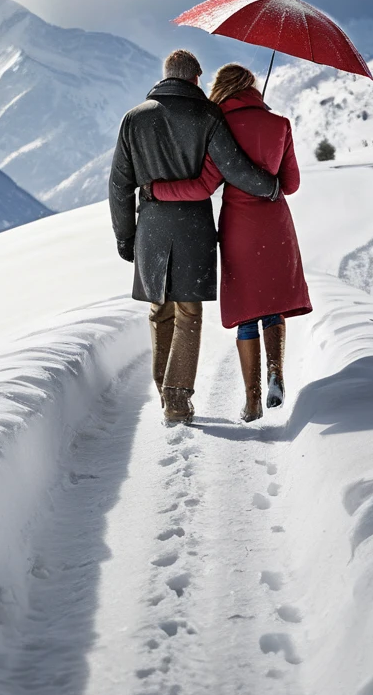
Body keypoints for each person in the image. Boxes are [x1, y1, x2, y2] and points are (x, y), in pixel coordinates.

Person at [109, 50, 280, 425]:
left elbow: (120, 185)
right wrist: (269, 186)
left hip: (150, 232)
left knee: (159, 312)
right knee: (188, 313)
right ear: (195, 79)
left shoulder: (133, 119)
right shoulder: (208, 116)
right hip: (193, 232)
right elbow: (234, 167)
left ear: (166, 76)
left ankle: (165, 391)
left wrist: (125, 238)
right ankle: (177, 398)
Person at [149, 63, 312, 422]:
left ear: (223, 88)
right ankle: (276, 373)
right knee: (273, 304)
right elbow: (291, 184)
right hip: (276, 223)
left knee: (246, 310)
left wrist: (156, 189)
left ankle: (253, 401)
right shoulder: (279, 124)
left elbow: (203, 186)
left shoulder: (218, 122)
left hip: (239, 226)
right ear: (252, 88)